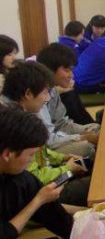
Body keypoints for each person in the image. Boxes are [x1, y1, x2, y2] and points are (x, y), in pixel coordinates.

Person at [0, 107, 73, 239]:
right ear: (7, 154)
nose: (32, 160)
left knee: (26, 182)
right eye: (30, 155)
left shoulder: (11, 171)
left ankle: (74, 236)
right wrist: (37, 201)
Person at [0, 62, 90, 206]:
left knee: (87, 167)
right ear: (28, 94)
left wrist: (63, 158)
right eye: (45, 92)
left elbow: (39, 151)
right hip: (36, 194)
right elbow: (31, 176)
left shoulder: (20, 112)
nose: (48, 98)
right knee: (90, 182)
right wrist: (67, 169)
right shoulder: (15, 124)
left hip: (43, 176)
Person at [37, 43, 96, 126]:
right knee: (68, 94)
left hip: (60, 134)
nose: (71, 75)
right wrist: (81, 136)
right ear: (50, 70)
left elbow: (61, 123)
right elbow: (48, 135)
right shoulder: (36, 96)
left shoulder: (52, 89)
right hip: (48, 137)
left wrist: (91, 128)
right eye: (67, 70)